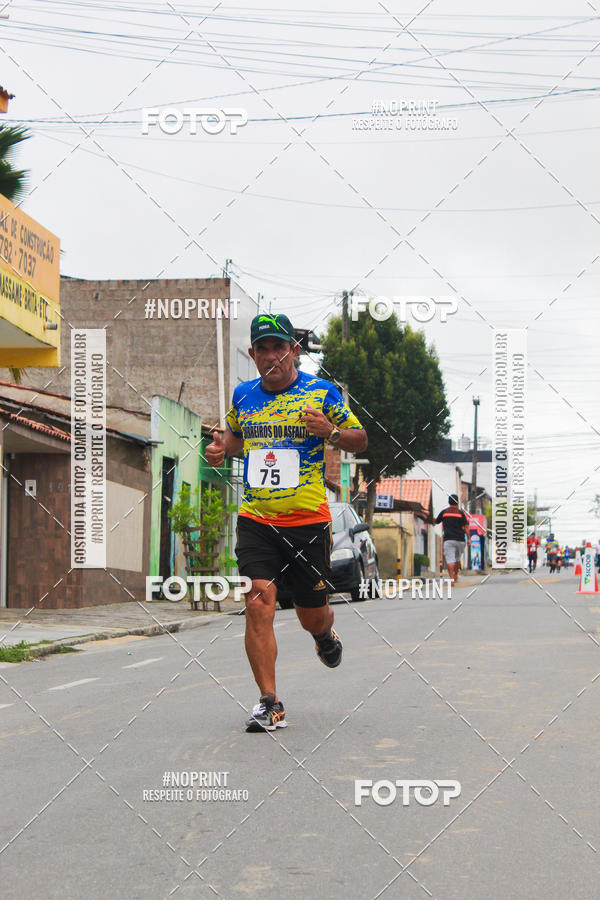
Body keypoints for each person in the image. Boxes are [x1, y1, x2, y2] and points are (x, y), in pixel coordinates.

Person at [205, 313, 368, 733]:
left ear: (293, 350)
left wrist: (330, 431)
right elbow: (237, 440)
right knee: (258, 601)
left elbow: (360, 438)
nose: (272, 356)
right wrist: (222, 450)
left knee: (311, 614)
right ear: (253, 354)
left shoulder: (321, 391)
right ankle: (269, 702)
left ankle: (324, 637)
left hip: (308, 521)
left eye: (280, 347)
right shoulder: (243, 396)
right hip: (256, 518)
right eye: (263, 348)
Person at [435, 495, 468, 583]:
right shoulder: (461, 513)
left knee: (450, 559)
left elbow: (436, 521)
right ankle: (456, 575)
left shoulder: (444, 512)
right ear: (457, 502)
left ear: (449, 502)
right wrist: (468, 539)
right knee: (457, 558)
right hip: (460, 540)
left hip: (448, 539)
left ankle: (452, 578)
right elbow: (466, 527)